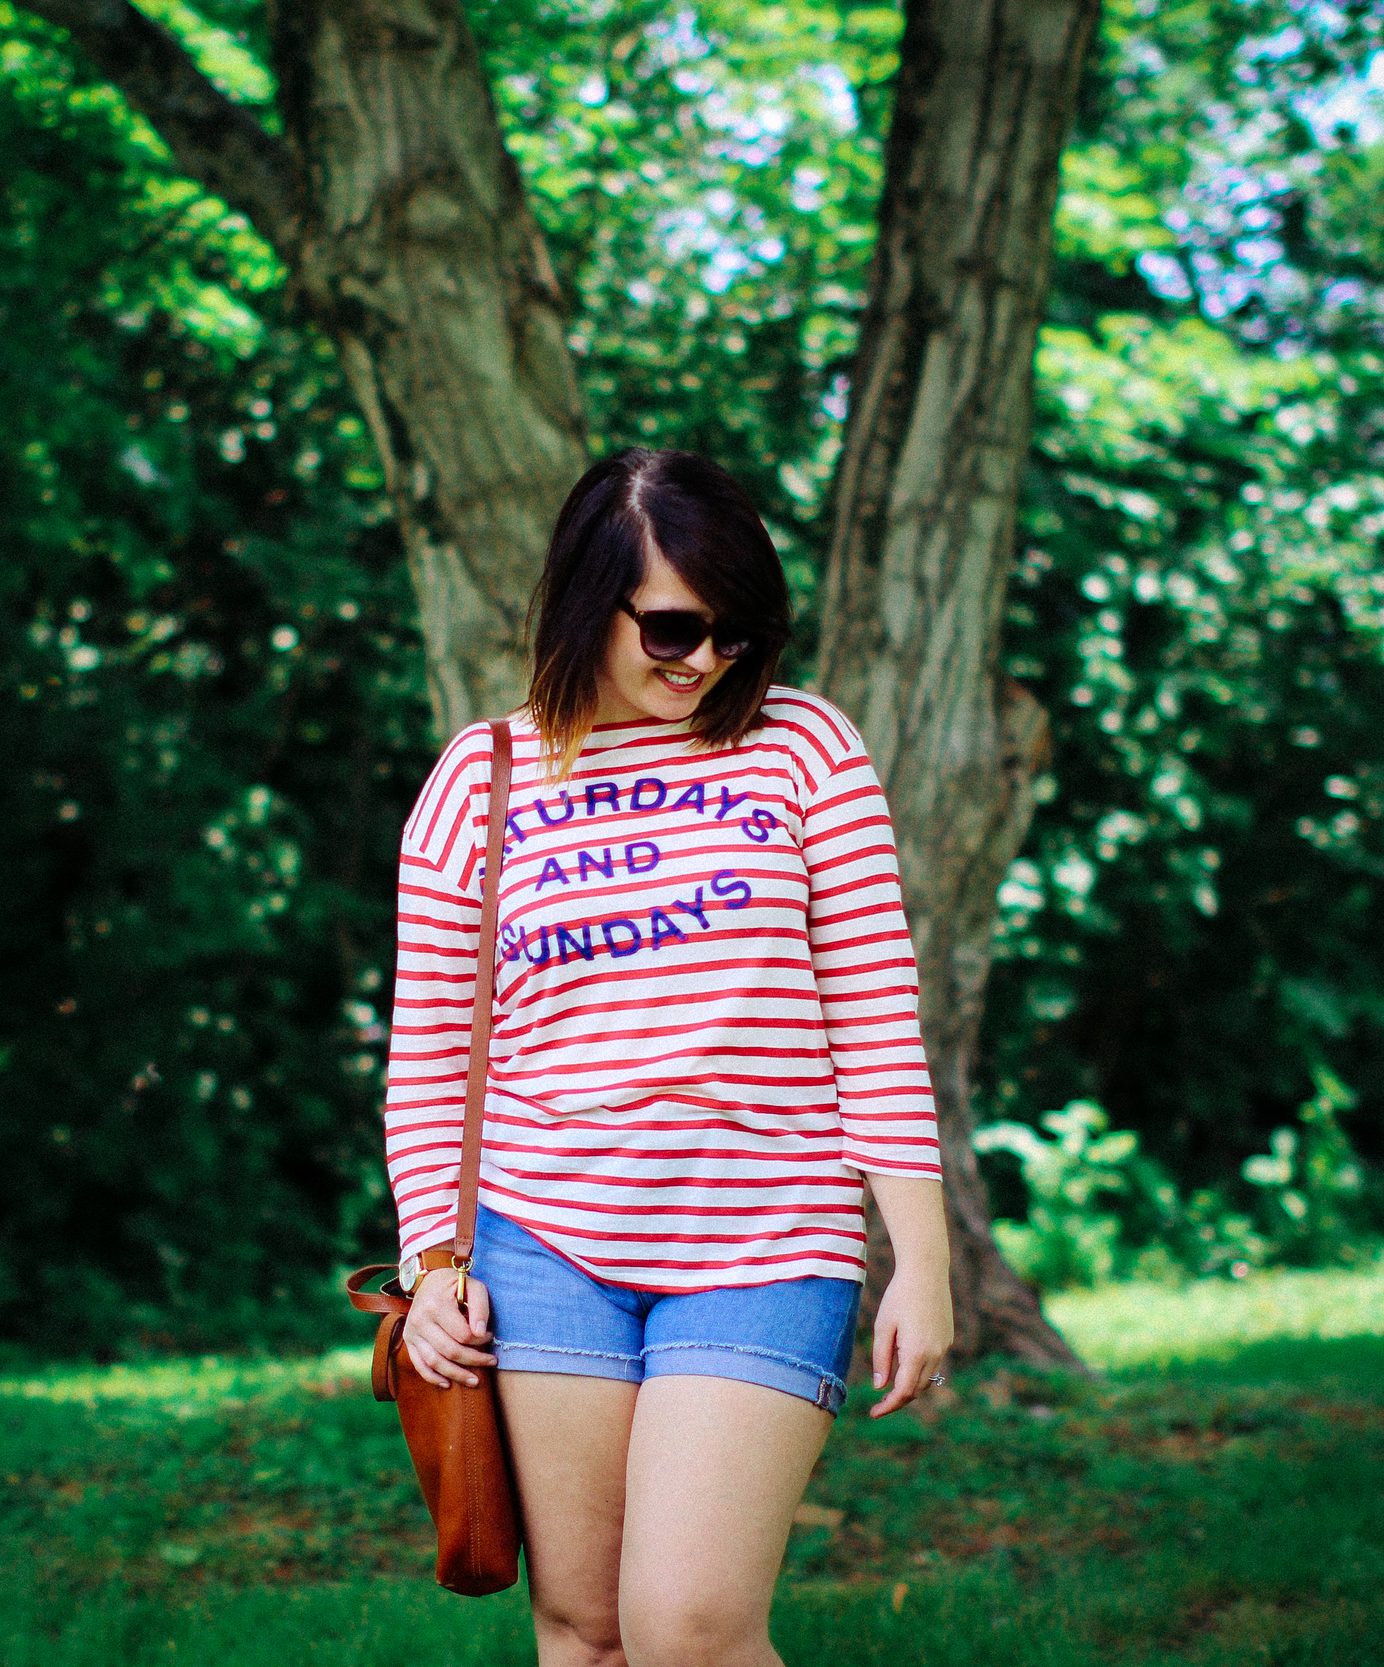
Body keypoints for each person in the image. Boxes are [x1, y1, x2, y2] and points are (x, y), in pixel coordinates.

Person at [384, 447, 957, 1667]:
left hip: (766, 1238)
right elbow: (431, 1055)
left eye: (735, 634)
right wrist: (432, 1262)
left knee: (687, 1626)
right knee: (587, 1634)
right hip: (541, 1245)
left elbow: (873, 1012)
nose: (704, 661)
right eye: (674, 627)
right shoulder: (476, 781)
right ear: (589, 595)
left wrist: (922, 1255)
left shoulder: (803, 749)